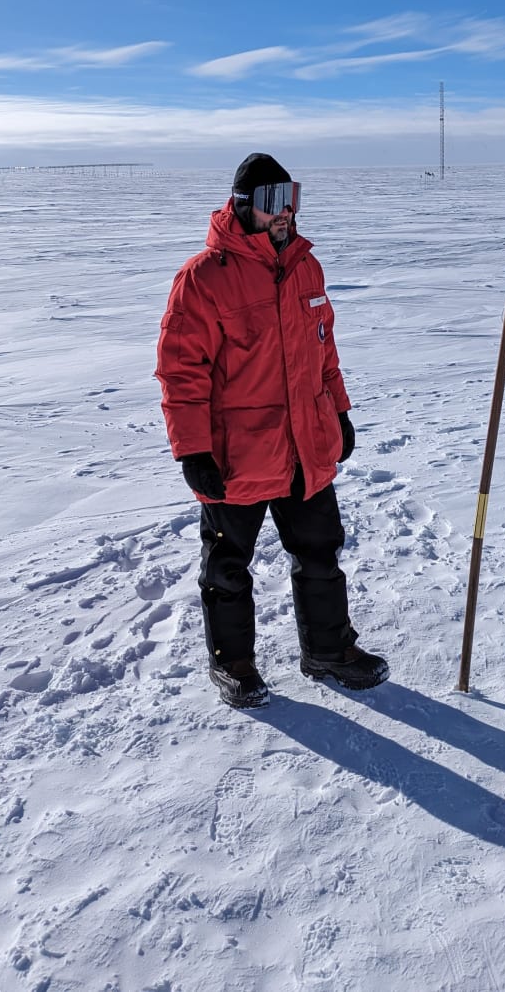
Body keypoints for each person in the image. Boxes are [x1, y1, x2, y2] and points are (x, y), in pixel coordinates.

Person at [156, 152, 389, 709]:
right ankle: (234, 665)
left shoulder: (306, 266)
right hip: (237, 455)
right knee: (229, 566)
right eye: (269, 202)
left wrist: (338, 410)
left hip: (305, 445)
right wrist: (192, 449)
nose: (283, 213)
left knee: (320, 553)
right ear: (242, 207)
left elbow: (323, 350)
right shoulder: (204, 278)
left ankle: (328, 650)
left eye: (290, 199)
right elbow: (181, 372)